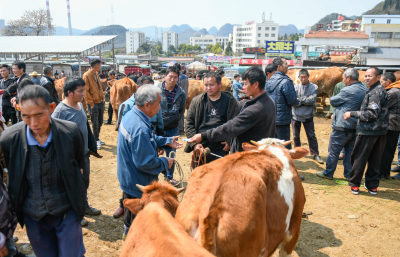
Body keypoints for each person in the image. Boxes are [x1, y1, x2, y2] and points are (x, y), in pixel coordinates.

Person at [0, 85, 86, 256]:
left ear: (52, 108)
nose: (33, 123)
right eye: (26, 116)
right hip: (33, 215)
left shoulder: (70, 132)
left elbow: (80, 168)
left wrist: (78, 201)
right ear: (19, 110)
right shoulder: (10, 139)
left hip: (66, 211)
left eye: (39, 115)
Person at [117, 84, 182, 236]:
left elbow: (149, 139)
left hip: (129, 177)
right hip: (138, 183)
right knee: (138, 224)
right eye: (158, 103)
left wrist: (165, 140)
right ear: (147, 104)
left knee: (131, 219)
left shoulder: (132, 116)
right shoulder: (140, 127)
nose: (160, 108)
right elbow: (145, 163)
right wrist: (166, 162)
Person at [189, 67, 276, 153]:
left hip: (249, 155)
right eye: (206, 85)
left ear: (256, 84)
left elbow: (231, 127)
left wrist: (203, 135)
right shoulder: (269, 102)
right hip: (259, 151)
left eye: (245, 84)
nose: (243, 87)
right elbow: (190, 122)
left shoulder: (255, 109)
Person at [52, 77, 102, 227]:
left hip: (83, 154)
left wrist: (90, 146)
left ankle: (84, 205)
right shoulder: (60, 112)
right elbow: (55, 137)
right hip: (71, 158)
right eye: (80, 91)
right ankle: (75, 212)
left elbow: (85, 126)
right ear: (69, 92)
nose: (83, 94)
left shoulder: (80, 105)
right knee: (73, 185)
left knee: (84, 183)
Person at [316, 68, 367, 180]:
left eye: (344, 78)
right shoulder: (364, 88)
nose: (343, 80)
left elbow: (333, 101)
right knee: (350, 151)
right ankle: (348, 174)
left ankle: (328, 173)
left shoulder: (347, 90)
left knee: (334, 150)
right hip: (356, 125)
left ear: (348, 78)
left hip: (342, 125)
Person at [344, 67, 388, 195]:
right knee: (375, 159)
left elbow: (371, 114)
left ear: (378, 77)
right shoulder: (377, 90)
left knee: (359, 158)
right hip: (380, 131)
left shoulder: (376, 92)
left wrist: (351, 113)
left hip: (369, 131)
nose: (367, 78)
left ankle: (355, 184)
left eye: (370, 76)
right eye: (366, 76)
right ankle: (372, 186)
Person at [185, 72, 240, 164]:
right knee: (200, 176)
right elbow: (189, 123)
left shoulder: (230, 101)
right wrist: (195, 144)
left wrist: (230, 141)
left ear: (219, 85)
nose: (208, 88)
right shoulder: (197, 101)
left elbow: (236, 123)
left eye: (211, 85)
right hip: (201, 144)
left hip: (221, 145)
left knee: (220, 176)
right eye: (206, 85)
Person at [159, 66, 186, 186]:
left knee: (171, 153)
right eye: (170, 76)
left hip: (172, 128)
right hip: (157, 127)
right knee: (153, 151)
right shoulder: (156, 90)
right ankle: (152, 175)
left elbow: (181, 111)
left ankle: (169, 176)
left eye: (175, 77)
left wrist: (177, 124)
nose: (172, 79)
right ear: (165, 76)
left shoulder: (181, 93)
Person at [292, 69, 323, 164]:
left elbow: (312, 100)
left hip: (308, 115)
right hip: (295, 115)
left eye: (305, 76)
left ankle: (315, 154)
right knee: (295, 136)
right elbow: (293, 101)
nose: (303, 78)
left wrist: (299, 100)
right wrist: (304, 100)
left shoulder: (314, 87)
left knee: (311, 135)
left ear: (308, 76)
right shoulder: (295, 87)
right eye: (301, 77)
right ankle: (297, 152)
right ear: (299, 77)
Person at [265, 57, 297, 147]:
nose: (288, 66)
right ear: (279, 67)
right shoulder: (286, 81)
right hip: (282, 119)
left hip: (270, 119)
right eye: (286, 64)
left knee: (273, 146)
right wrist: (298, 101)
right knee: (284, 146)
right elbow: (292, 100)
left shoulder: (269, 81)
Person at [378, 72, 400, 180]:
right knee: (390, 150)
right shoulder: (396, 90)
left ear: (388, 82)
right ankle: (385, 172)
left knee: (385, 150)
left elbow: (382, 106)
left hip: (390, 124)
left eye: (382, 81)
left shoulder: (392, 92)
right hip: (396, 125)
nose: (381, 83)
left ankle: (382, 173)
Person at [83, 58, 105, 150]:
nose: (100, 67)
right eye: (99, 65)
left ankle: (96, 137)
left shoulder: (96, 74)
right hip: (93, 103)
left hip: (100, 101)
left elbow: (98, 87)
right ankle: (95, 141)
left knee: (100, 121)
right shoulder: (86, 76)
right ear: (96, 65)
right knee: (95, 122)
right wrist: (91, 103)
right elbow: (85, 91)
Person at [174, 63, 188, 135]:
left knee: (175, 113)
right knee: (182, 113)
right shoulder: (185, 77)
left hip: (176, 97)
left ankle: (177, 129)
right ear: (180, 69)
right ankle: (181, 129)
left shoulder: (176, 77)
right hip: (184, 96)